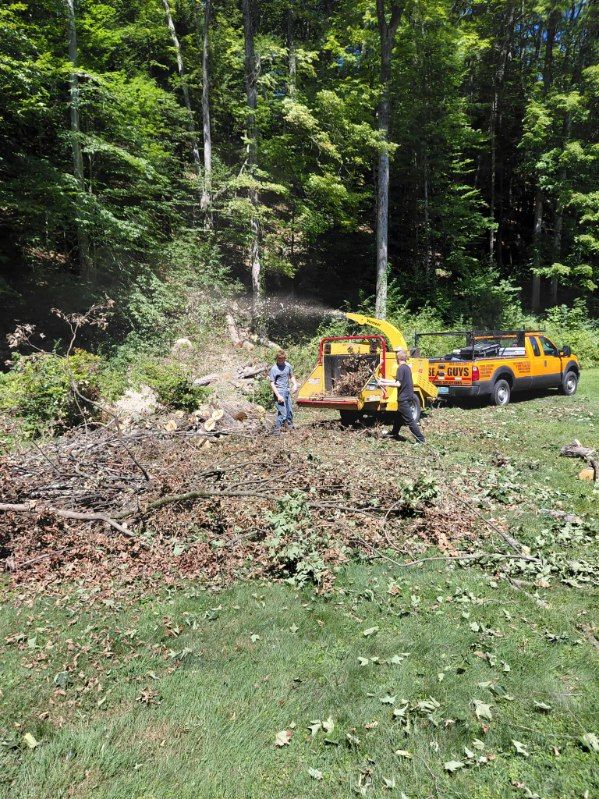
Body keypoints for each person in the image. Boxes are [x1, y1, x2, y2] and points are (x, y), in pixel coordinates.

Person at [377, 349, 425, 443]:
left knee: (410, 421)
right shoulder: (406, 367)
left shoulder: (400, 368)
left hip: (403, 398)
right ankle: (395, 433)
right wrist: (383, 381)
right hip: (408, 396)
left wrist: (384, 383)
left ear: (397, 359)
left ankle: (421, 439)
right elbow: (398, 381)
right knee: (398, 417)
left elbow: (398, 384)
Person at [269, 349, 298, 433]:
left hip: (287, 392)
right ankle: (276, 431)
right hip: (279, 392)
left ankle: (290, 428)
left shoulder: (288, 366)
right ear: (277, 358)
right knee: (283, 413)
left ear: (285, 358)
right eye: (279, 359)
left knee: (289, 412)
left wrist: (295, 384)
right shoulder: (274, 369)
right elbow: (272, 383)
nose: (281, 361)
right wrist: (278, 395)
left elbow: (291, 376)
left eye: (283, 359)